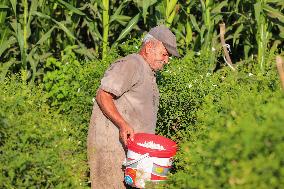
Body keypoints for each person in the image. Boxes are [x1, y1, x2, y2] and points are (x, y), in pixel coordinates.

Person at [87, 25, 180, 189]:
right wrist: (123, 124)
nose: (166, 60)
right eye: (164, 54)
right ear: (149, 47)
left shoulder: (147, 71)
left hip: (133, 153)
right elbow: (103, 95)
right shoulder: (131, 64)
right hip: (112, 148)